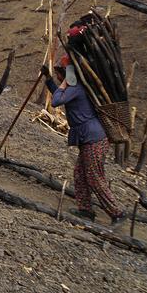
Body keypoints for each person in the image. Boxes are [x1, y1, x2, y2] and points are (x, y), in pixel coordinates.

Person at [43, 56, 126, 225]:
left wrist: (64, 83)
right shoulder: (73, 88)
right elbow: (60, 94)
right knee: (80, 174)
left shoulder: (75, 87)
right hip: (89, 138)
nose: (58, 77)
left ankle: (117, 212)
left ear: (67, 74)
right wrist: (48, 79)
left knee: (94, 177)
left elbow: (57, 100)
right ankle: (86, 210)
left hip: (94, 138)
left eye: (60, 74)